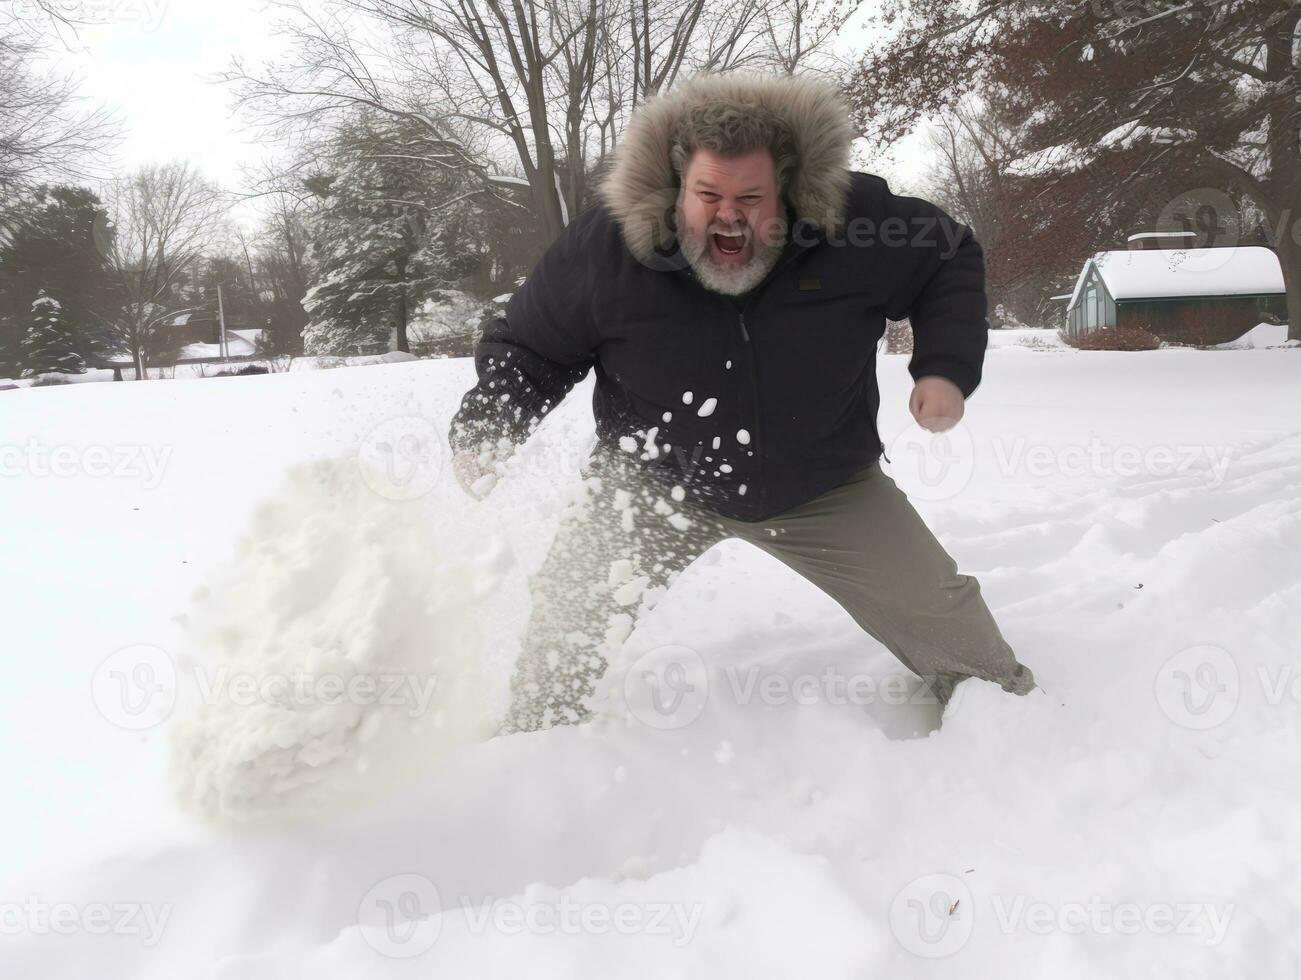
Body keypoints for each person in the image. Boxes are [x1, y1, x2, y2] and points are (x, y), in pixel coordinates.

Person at [448, 70, 1036, 734]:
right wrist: (490, 421)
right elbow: (533, 345)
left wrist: (945, 366)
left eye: (751, 197)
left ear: (787, 190)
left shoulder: (857, 226)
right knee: (564, 620)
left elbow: (947, 257)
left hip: (822, 484)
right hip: (651, 483)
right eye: (708, 195)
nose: (728, 215)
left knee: (974, 660)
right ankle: (532, 750)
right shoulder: (604, 249)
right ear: (676, 187)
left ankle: (1007, 736)